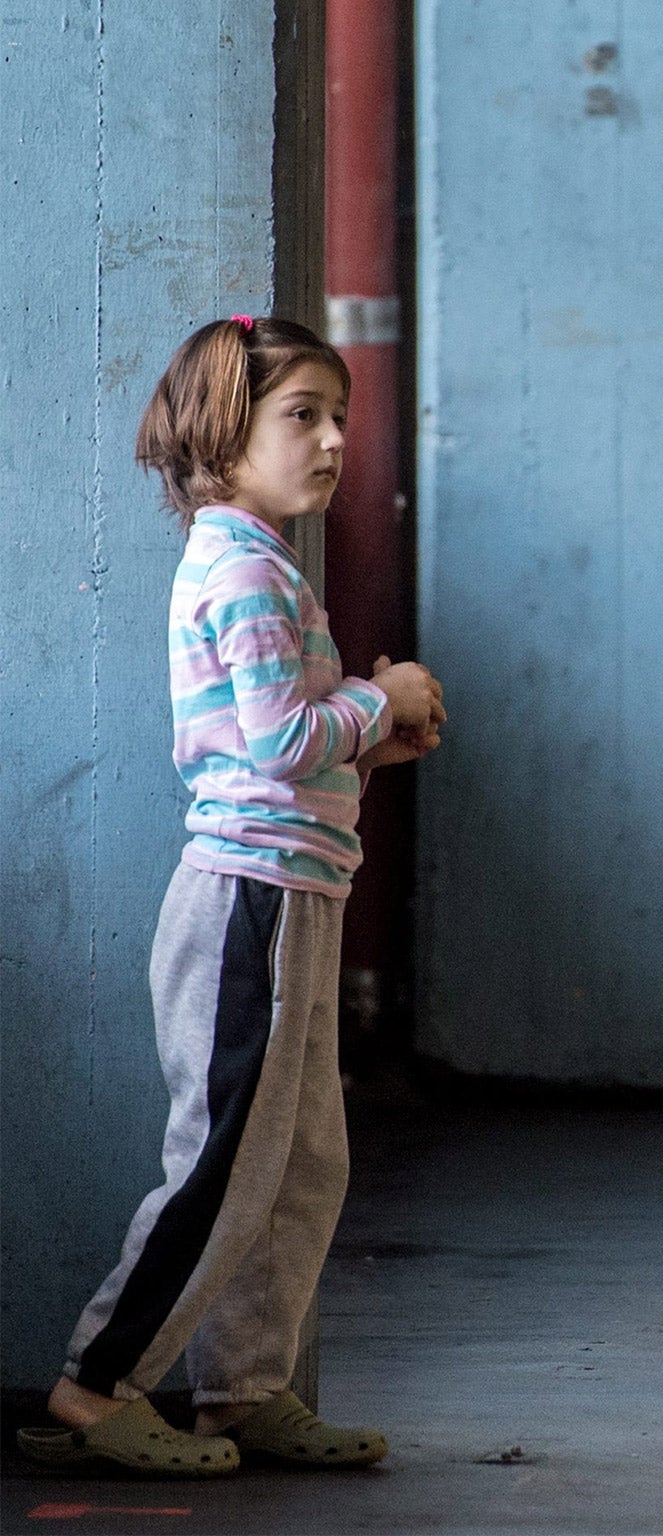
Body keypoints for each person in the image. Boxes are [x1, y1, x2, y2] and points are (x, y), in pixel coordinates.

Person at [16, 316, 447, 1475]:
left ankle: (241, 1390)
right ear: (225, 432)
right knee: (222, 1165)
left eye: (338, 418)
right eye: (300, 415)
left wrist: (370, 740)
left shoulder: (263, 562)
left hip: (294, 896)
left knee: (303, 1164)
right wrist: (379, 693)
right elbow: (275, 740)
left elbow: (286, 749)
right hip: (247, 911)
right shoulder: (245, 566)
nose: (332, 440)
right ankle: (97, 1387)